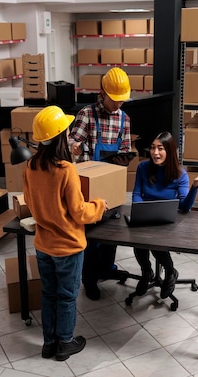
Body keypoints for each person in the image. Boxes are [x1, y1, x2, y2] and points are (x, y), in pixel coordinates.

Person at [23, 106, 108, 361]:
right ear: (61, 135)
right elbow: (80, 212)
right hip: (68, 246)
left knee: (48, 293)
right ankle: (66, 343)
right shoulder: (66, 170)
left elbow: (29, 200)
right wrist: (100, 206)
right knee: (67, 297)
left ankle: (49, 343)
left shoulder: (30, 166)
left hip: (43, 245)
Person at [68, 67, 133, 300]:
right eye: (115, 100)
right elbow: (72, 142)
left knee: (112, 235)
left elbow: (125, 149)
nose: (118, 105)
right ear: (102, 93)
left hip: (112, 184)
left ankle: (107, 268)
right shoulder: (87, 114)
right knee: (92, 237)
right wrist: (73, 146)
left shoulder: (124, 119)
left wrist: (126, 156)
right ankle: (89, 278)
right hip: (88, 189)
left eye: (122, 101)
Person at [132, 131, 198, 299]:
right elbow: (137, 194)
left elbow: (184, 207)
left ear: (169, 151)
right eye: (153, 148)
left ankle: (170, 271)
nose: (155, 153)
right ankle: (147, 273)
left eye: (160, 148)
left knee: (155, 243)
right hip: (146, 217)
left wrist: (195, 186)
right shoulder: (143, 167)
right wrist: (140, 212)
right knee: (137, 239)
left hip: (166, 222)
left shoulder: (179, 174)